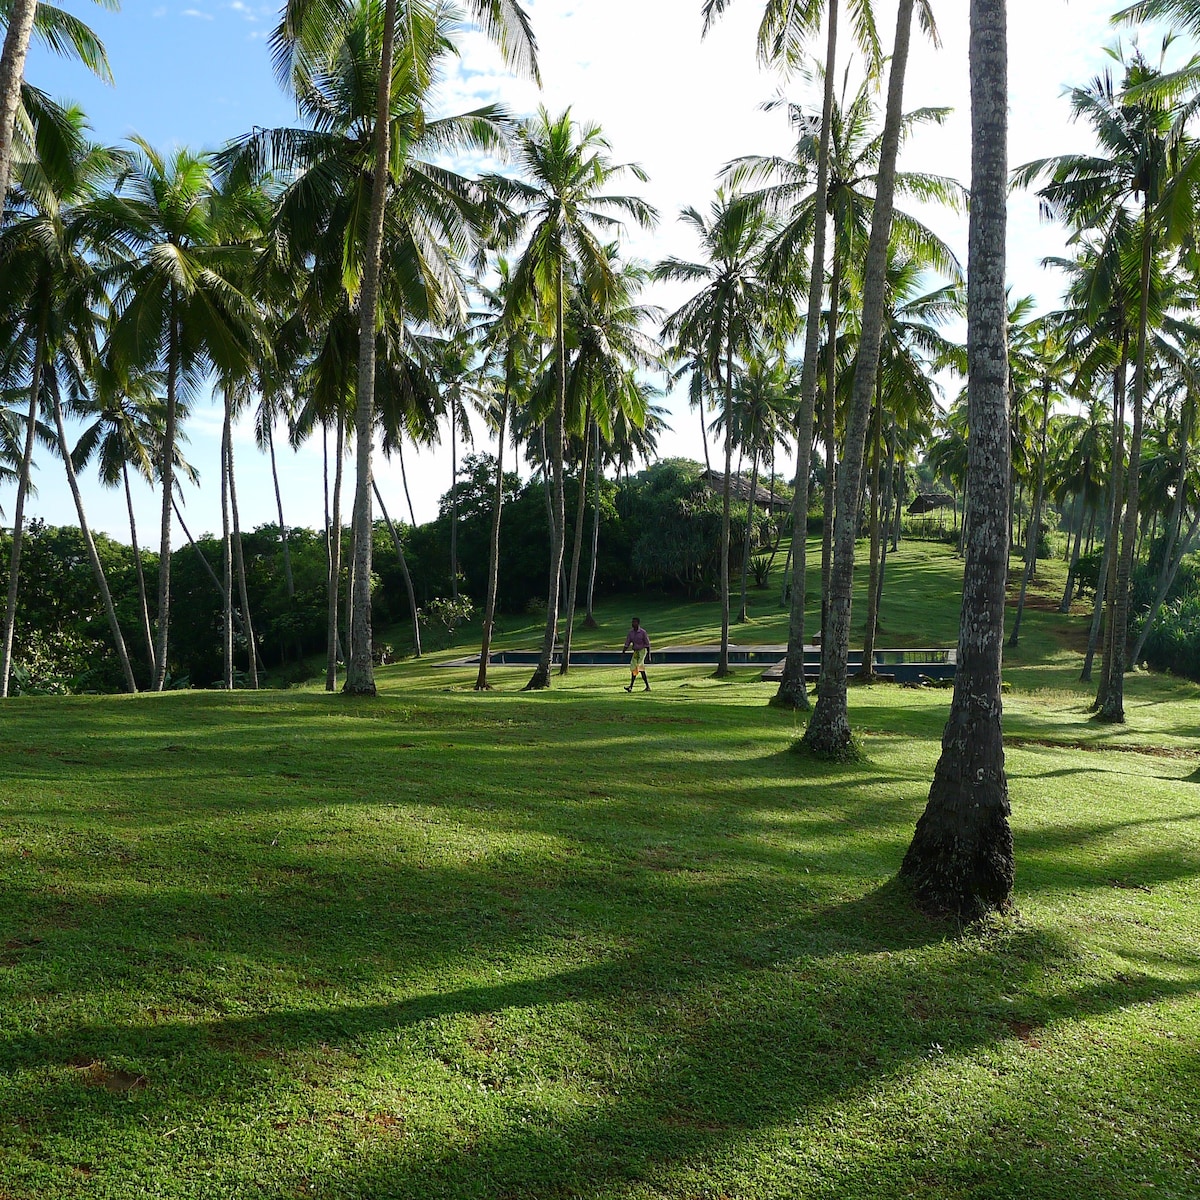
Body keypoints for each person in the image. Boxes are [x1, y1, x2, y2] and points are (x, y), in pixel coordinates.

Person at [622, 617, 651, 692]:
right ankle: (632, 687)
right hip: (636, 651)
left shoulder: (643, 632)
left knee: (638, 666)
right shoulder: (631, 633)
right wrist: (623, 651)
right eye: (632, 622)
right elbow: (627, 643)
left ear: (638, 623)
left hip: (642, 650)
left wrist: (649, 656)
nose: (633, 624)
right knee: (634, 667)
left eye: (634, 622)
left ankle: (636, 686)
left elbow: (647, 644)